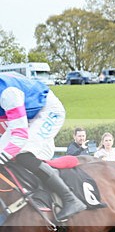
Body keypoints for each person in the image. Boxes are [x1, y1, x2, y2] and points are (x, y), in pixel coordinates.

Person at [0, 71, 87, 220]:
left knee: (23, 153)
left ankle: (70, 198)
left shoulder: (8, 95)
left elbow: (20, 135)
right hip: (27, 115)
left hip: (48, 111)